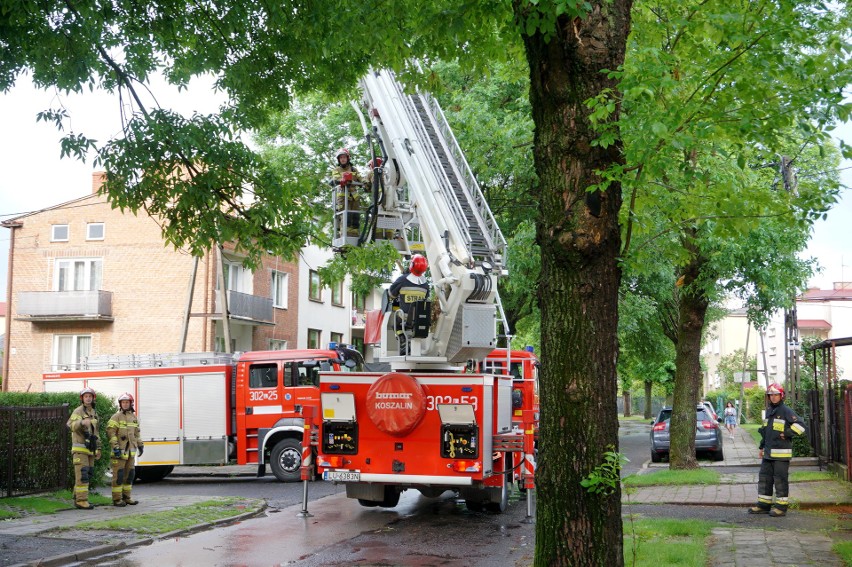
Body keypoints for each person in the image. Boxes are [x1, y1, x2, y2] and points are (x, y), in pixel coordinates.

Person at [748, 383, 806, 517]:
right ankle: (763, 505)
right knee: (764, 479)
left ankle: (781, 507)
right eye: (771, 395)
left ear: (781, 396)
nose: (773, 397)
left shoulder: (785, 411)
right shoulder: (769, 411)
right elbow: (765, 431)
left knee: (780, 480)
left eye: (776, 395)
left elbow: (801, 426)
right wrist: (761, 447)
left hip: (781, 454)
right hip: (768, 454)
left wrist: (786, 433)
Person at [106, 392, 144, 506]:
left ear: (131, 403)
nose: (125, 404)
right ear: (120, 404)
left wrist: (140, 444)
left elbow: (137, 434)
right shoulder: (116, 417)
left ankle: (127, 497)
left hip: (131, 453)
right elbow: (110, 432)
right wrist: (115, 447)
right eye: (123, 402)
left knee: (130, 475)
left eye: (127, 402)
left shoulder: (133, 417)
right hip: (119, 452)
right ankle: (117, 499)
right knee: (119, 476)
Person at [67, 387, 102, 510]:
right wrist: (81, 423)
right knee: (83, 475)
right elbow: (70, 425)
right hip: (80, 449)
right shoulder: (78, 411)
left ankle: (77, 496)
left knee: (88, 474)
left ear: (93, 398)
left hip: (90, 450)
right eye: (86, 396)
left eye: (90, 396)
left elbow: (96, 433)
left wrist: (98, 449)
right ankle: (81, 501)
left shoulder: (94, 413)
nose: (88, 398)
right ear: (82, 398)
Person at [388, 254, 430, 354]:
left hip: (405, 318)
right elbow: (426, 299)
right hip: (420, 320)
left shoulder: (402, 280)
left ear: (412, 264)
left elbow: (391, 294)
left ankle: (402, 340)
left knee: (395, 324)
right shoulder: (425, 285)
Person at [331, 148, 366, 237]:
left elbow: (361, 179)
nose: (342, 159)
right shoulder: (337, 170)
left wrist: (366, 183)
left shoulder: (354, 169)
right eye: (340, 158)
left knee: (355, 217)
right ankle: (345, 235)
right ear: (338, 160)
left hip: (354, 197)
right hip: (343, 197)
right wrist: (342, 180)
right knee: (346, 217)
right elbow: (335, 179)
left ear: (348, 158)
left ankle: (354, 236)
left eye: (344, 157)